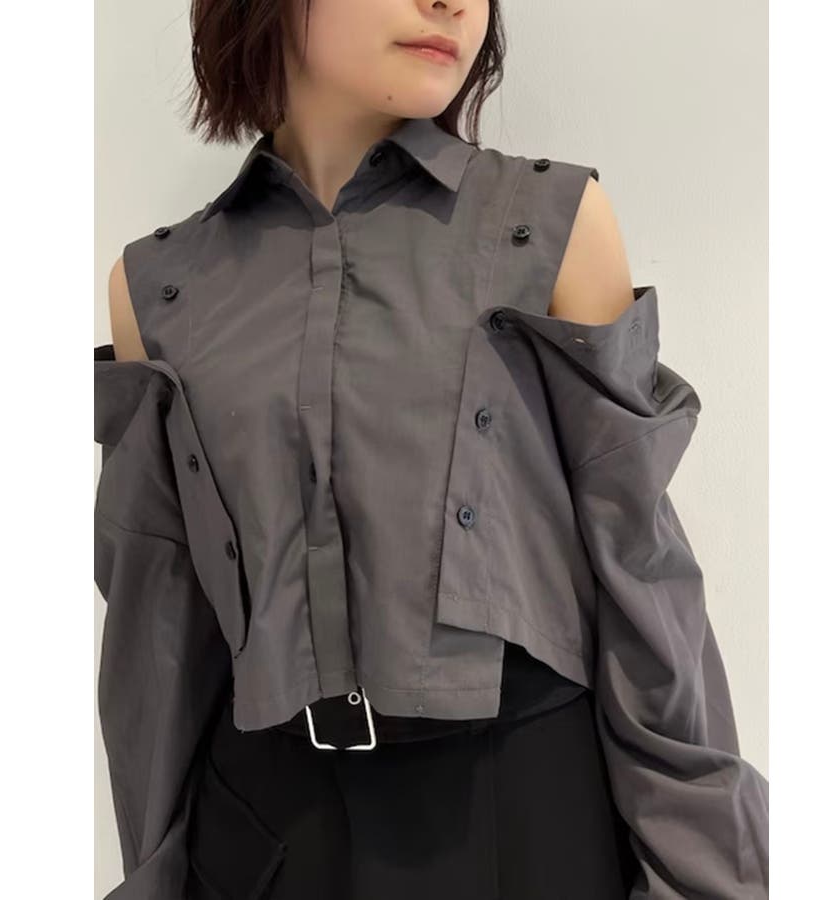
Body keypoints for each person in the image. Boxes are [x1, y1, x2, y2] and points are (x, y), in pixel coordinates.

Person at [95, 1, 769, 898]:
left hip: (523, 823)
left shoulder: (550, 227)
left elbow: (643, 583)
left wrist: (710, 873)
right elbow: (156, 641)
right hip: (263, 838)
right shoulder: (159, 288)